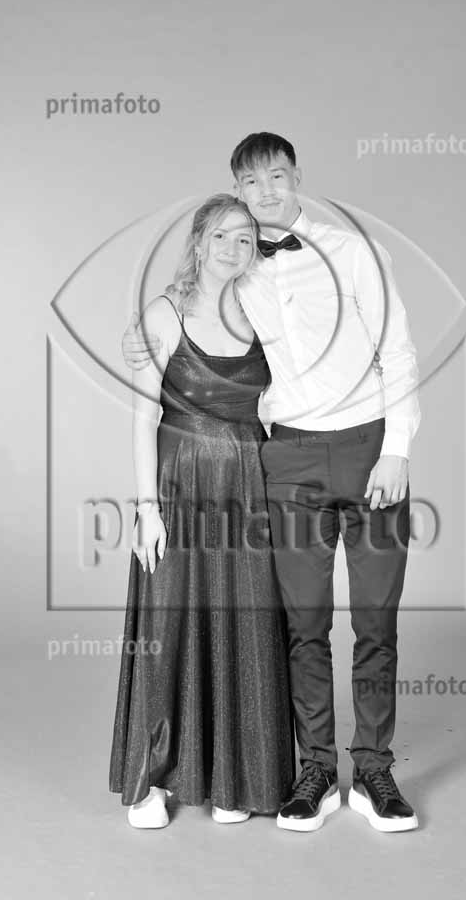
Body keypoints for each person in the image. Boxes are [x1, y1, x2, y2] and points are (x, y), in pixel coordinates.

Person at [122, 133, 421, 834]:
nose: (266, 194)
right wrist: (141, 336)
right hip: (283, 458)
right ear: (236, 192)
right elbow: (182, 330)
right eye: (251, 183)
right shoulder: (240, 269)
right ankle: (313, 769)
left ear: (296, 179)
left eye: (277, 178)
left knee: (375, 620)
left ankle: (373, 769)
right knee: (301, 623)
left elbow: (399, 351)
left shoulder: (354, 252)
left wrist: (398, 448)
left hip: (369, 448)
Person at [109, 192, 294, 829]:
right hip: (180, 483)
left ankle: (232, 776)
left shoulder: (263, 306)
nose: (233, 248)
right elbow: (144, 416)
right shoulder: (164, 313)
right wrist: (147, 509)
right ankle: (153, 780)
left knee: (244, 624)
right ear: (198, 242)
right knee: (171, 622)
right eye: (221, 236)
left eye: (245, 238)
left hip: (248, 484)